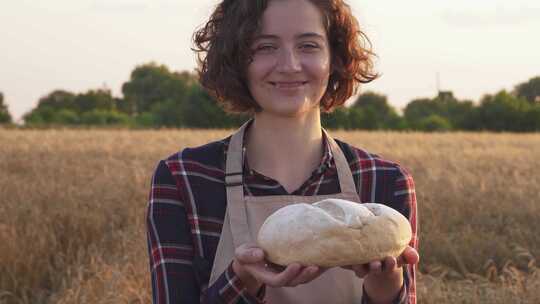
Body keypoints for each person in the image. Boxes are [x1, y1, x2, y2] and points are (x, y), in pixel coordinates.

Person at [146, 0, 419, 303]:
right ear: (236, 59)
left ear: (335, 58)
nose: (289, 65)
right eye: (265, 47)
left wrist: (387, 292)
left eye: (309, 46)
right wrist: (243, 279)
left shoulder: (385, 181)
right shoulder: (184, 178)